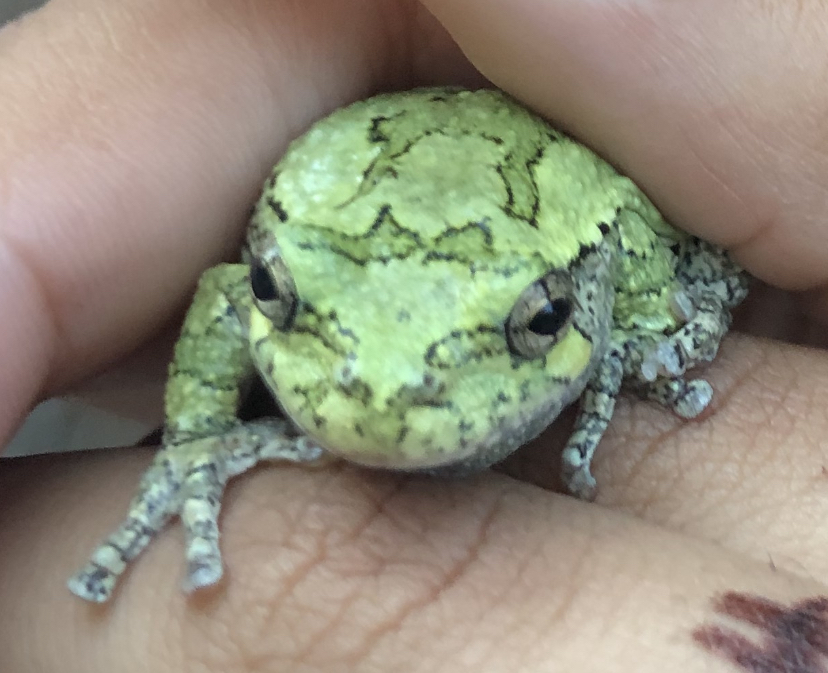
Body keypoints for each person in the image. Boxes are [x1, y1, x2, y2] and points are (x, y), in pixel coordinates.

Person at [1, 0, 826, 670]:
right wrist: (198, 430)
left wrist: (647, 326)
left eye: (538, 321)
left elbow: (623, 221)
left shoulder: (610, 236)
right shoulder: (277, 267)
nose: (386, 393)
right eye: (277, 297)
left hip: (573, 216)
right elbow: (229, 296)